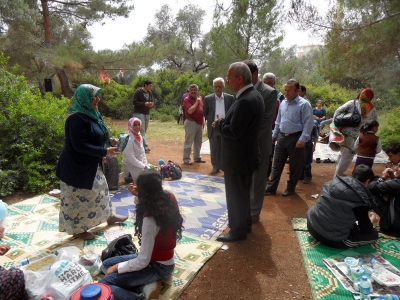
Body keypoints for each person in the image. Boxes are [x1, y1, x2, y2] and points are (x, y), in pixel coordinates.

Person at [56, 84, 127, 240]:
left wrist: (110, 141)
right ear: (84, 99)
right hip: (76, 166)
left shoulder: (92, 114)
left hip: (91, 163)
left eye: (97, 96)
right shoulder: (76, 118)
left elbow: (96, 135)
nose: (98, 99)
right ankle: (78, 229)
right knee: (78, 197)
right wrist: (104, 151)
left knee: (101, 190)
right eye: (94, 96)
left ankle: (108, 216)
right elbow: (79, 145)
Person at [99, 169, 184, 300]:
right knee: (106, 264)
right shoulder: (168, 197)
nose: (134, 187)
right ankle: (146, 286)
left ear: (145, 192)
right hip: (158, 259)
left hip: (157, 266)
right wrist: (139, 195)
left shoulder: (150, 219)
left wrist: (117, 267)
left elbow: (143, 261)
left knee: (104, 284)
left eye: (138, 186)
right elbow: (149, 203)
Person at [213, 62, 264, 242]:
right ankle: (245, 224)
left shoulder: (246, 100)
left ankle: (237, 231)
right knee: (242, 194)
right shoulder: (253, 95)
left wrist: (219, 125)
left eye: (229, 78)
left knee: (236, 196)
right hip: (245, 157)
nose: (227, 81)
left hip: (238, 158)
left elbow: (234, 131)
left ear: (240, 79)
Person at [307, 165, 379, 248]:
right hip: (330, 238)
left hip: (311, 225)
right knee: (373, 235)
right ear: (367, 181)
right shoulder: (359, 199)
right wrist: (372, 222)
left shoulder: (334, 183)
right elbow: (366, 229)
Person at [265, 79, 313, 196]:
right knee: (277, 164)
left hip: (296, 138)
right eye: (285, 90)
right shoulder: (283, 103)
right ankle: (272, 188)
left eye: (289, 90)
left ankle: (290, 189)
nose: (286, 92)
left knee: (295, 166)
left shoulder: (304, 104)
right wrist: (274, 135)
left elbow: (308, 123)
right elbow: (278, 121)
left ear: (297, 91)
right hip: (282, 137)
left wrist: (303, 139)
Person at [244, 61, 277, 224]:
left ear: (255, 74)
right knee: (245, 178)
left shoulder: (269, 93)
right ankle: (245, 209)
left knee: (258, 181)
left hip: (259, 145)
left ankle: (254, 212)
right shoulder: (242, 90)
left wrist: (244, 136)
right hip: (243, 145)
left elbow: (266, 121)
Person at [332, 88, 377, 177]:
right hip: (357, 136)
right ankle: (337, 176)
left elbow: (338, 111)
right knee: (347, 157)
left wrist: (335, 125)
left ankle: (337, 175)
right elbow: (374, 123)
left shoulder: (352, 103)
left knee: (343, 154)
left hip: (343, 133)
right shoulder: (372, 109)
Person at [203, 77, 235, 174]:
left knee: (225, 148)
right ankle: (215, 167)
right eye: (216, 86)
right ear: (213, 87)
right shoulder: (208, 99)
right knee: (214, 148)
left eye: (220, 86)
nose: (218, 88)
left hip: (225, 127)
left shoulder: (230, 98)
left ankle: (225, 168)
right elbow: (205, 112)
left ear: (223, 87)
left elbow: (233, 112)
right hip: (213, 127)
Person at [368, 155, 400, 237]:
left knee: (370, 194)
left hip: (394, 229)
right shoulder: (396, 183)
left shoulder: (396, 184)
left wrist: (382, 177)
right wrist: (393, 178)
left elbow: (372, 187)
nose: (396, 169)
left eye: (399, 167)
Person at [262, 72, 284, 182]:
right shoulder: (259, 93)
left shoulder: (279, 96)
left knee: (269, 152)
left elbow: (281, 114)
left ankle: (266, 174)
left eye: (269, 83)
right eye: (265, 83)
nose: (267, 85)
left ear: (274, 83)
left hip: (273, 129)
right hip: (261, 128)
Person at [120, 117, 148, 184]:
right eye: (134, 125)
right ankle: (126, 176)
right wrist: (143, 166)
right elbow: (131, 158)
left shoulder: (140, 137)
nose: (137, 127)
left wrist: (145, 164)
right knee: (144, 181)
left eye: (138, 124)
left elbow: (143, 153)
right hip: (130, 165)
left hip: (139, 164)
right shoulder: (128, 139)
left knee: (151, 173)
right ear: (130, 126)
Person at [182, 84, 205, 165]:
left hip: (199, 122)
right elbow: (190, 111)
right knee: (189, 141)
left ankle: (197, 157)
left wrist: (203, 121)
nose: (193, 91)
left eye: (195, 90)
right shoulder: (186, 99)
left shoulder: (201, 98)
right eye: (191, 90)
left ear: (198, 91)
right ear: (189, 91)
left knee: (198, 142)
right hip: (191, 122)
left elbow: (202, 110)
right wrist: (197, 102)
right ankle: (186, 159)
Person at [132, 80, 154, 153]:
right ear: (145, 85)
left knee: (144, 130)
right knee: (142, 130)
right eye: (150, 85)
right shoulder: (138, 92)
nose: (151, 87)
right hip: (139, 113)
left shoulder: (150, 93)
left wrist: (151, 104)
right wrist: (144, 104)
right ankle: (145, 146)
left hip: (147, 113)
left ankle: (139, 144)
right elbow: (134, 102)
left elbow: (151, 101)